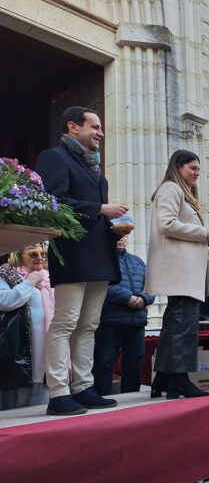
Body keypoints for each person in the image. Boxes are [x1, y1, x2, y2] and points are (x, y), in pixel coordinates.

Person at [35, 106, 128, 416]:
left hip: (99, 254)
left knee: (88, 325)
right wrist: (100, 209)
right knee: (65, 323)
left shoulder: (94, 166)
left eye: (101, 127)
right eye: (95, 126)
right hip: (73, 253)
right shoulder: (54, 157)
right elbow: (53, 201)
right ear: (73, 127)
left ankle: (83, 387)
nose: (100, 132)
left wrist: (112, 232)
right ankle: (59, 392)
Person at [144, 149, 209, 398]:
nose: (197, 173)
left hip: (184, 271)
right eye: (192, 168)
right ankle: (179, 378)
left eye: (199, 169)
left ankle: (165, 378)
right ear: (178, 167)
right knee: (184, 325)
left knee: (176, 323)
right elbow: (166, 223)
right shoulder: (171, 189)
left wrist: (205, 237)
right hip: (179, 271)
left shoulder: (180, 192)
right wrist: (204, 233)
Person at [92, 233, 155, 395]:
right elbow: (101, 285)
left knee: (135, 362)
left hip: (137, 321)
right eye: (118, 234)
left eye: (125, 235)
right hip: (110, 321)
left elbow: (151, 284)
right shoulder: (100, 259)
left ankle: (130, 398)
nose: (121, 238)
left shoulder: (138, 262)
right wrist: (127, 297)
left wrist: (143, 298)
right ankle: (101, 397)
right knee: (104, 363)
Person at [0, 244, 54, 410]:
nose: (40, 258)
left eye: (43, 254)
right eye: (33, 254)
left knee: (43, 402)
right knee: (16, 403)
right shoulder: (6, 274)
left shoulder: (49, 278)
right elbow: (5, 301)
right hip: (19, 349)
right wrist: (29, 283)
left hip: (48, 349)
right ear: (18, 255)